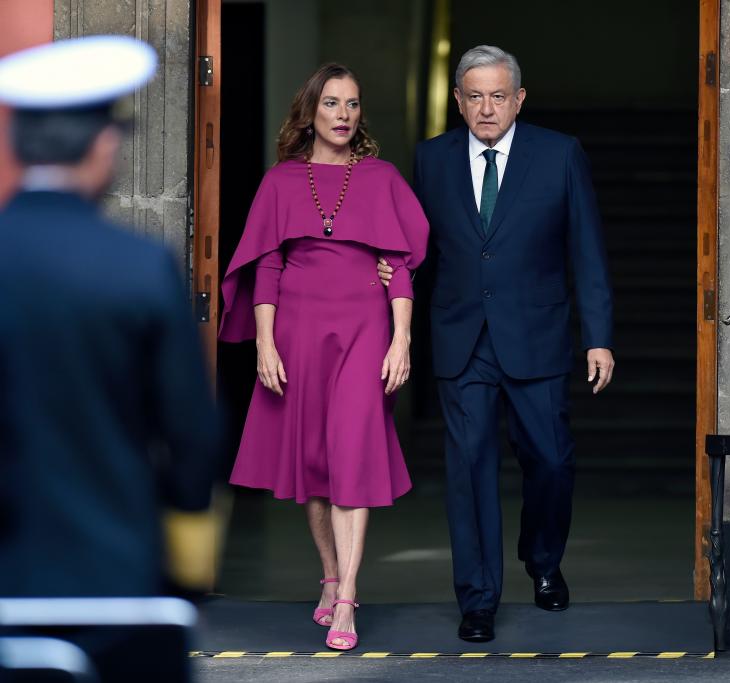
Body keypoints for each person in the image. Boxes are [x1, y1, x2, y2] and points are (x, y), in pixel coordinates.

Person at [379, 45, 614, 642]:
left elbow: (585, 251)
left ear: (519, 99)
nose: (486, 107)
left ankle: (542, 561)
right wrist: (392, 278)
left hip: (536, 335)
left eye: (498, 95)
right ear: (458, 100)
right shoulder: (430, 159)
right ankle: (478, 599)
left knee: (552, 462)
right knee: (470, 470)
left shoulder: (559, 155)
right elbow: (418, 248)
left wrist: (599, 338)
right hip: (462, 339)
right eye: (474, 95)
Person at [0, 36, 219, 599]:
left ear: (16, 143)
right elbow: (190, 431)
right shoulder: (140, 267)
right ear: (103, 144)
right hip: (113, 570)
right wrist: (185, 555)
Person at [219, 63, 428, 651]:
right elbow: (267, 265)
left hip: (364, 330)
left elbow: (402, 264)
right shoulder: (282, 181)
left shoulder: (382, 177)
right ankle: (329, 572)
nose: (343, 115)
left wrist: (401, 337)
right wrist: (263, 342)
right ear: (310, 111)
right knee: (313, 461)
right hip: (298, 332)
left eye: (353, 104)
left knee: (353, 456)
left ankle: (346, 599)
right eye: (333, 103)